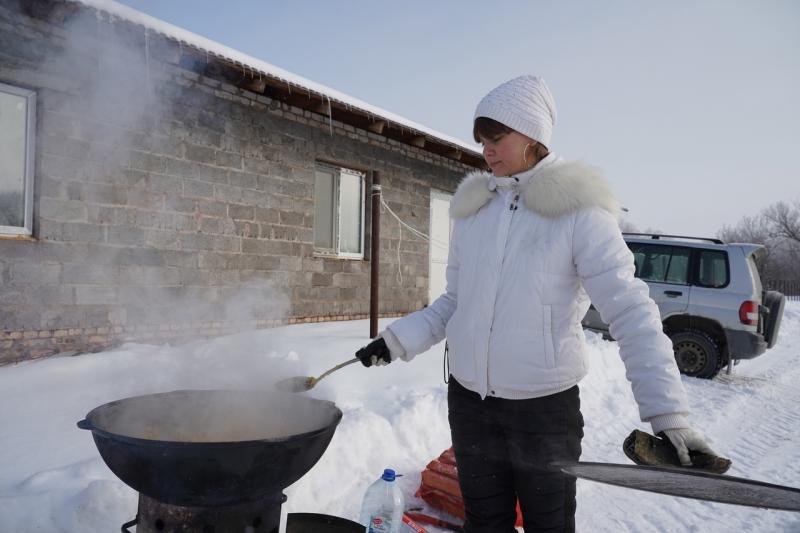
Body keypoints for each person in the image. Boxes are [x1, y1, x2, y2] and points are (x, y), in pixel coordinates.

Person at [354, 75, 715, 533]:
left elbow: (630, 310)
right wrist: (395, 341)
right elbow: (454, 303)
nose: (486, 150)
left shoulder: (578, 211)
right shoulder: (474, 211)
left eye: (497, 137)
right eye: (482, 139)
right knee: (485, 523)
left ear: (533, 135)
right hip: (470, 405)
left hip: (543, 412)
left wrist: (668, 414)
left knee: (549, 525)